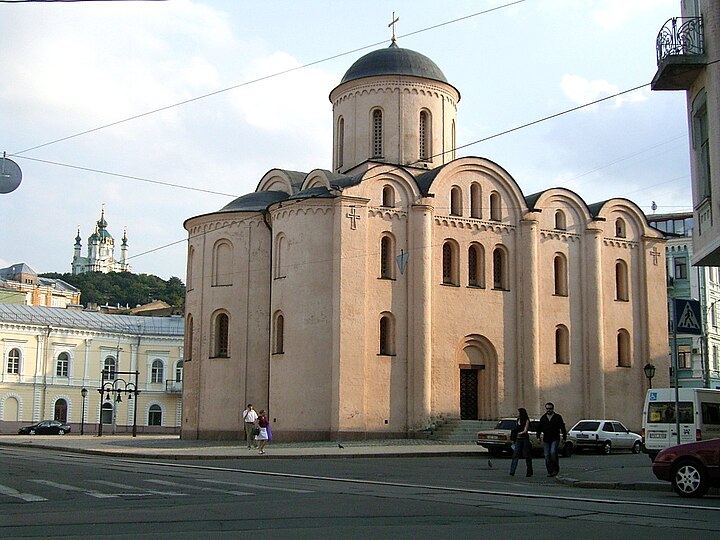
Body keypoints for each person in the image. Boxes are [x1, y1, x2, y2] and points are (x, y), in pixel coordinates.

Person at [536, 402, 566, 477]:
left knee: (553, 452)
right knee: (546, 455)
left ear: (553, 409)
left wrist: (564, 438)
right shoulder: (543, 418)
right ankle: (550, 471)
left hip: (555, 438)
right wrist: (538, 437)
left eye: (550, 408)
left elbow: (562, 427)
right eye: (547, 409)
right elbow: (539, 428)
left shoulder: (557, 417)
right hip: (546, 439)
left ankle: (555, 469)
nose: (548, 410)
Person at [509, 407, 533, 477]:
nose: (518, 414)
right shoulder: (517, 420)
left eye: (519, 413)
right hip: (518, 439)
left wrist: (521, 433)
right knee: (515, 455)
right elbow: (516, 428)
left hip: (524, 438)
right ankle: (512, 471)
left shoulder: (526, 420)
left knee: (527, 455)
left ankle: (529, 471)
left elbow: (526, 430)